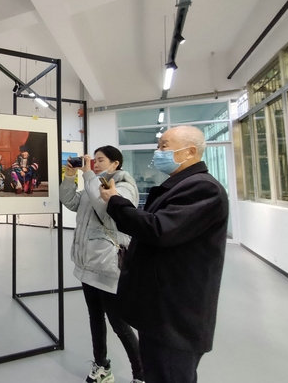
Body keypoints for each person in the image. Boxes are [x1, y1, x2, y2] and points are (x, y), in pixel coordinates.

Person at [99, 126, 229, 383]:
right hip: (160, 309)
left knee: (168, 373)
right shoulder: (181, 186)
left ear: (190, 152)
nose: (158, 152)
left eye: (164, 146)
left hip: (175, 316)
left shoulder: (203, 188)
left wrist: (115, 201)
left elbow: (159, 229)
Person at [60, 146, 144, 383]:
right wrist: (69, 177)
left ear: (115, 164)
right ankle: (102, 366)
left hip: (108, 267)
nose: (95, 164)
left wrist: (88, 175)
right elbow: (70, 201)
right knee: (95, 318)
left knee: (119, 324)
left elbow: (105, 207)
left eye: (100, 160)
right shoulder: (93, 184)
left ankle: (142, 373)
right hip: (88, 265)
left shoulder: (123, 187)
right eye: (93, 160)